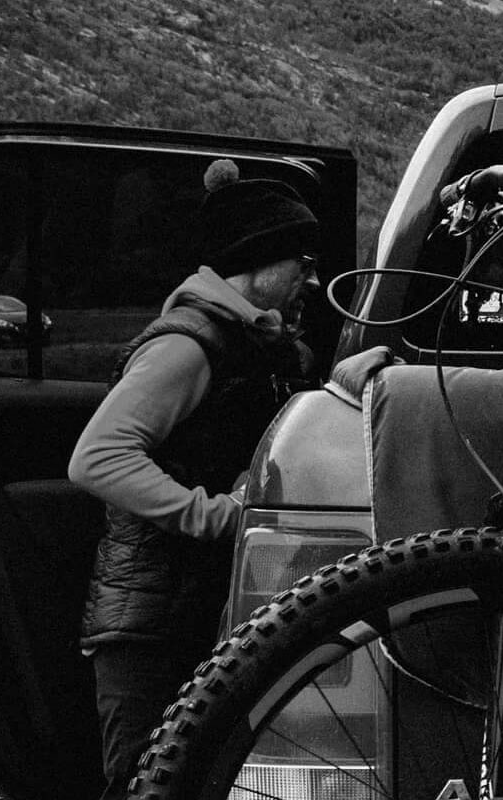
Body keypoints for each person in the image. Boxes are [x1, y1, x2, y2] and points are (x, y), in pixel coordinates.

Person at [67, 159, 389, 792]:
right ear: (256, 259)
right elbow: (98, 456)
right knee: (148, 785)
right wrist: (221, 516)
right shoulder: (186, 345)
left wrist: (340, 389)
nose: (311, 278)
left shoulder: (259, 343)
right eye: (302, 261)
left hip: (204, 607)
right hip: (152, 624)